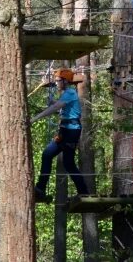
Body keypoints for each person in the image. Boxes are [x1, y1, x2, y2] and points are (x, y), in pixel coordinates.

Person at [32, 68, 90, 198]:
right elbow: (63, 108)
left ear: (65, 81)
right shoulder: (67, 94)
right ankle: (40, 188)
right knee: (47, 155)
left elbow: (55, 108)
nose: (56, 83)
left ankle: (84, 192)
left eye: (58, 81)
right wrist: (54, 103)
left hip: (71, 131)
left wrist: (34, 119)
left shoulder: (70, 93)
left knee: (68, 163)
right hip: (65, 130)